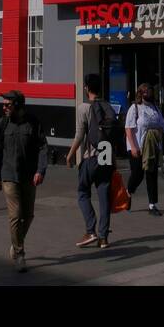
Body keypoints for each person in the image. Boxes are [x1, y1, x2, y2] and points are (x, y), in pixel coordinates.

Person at [0, 90, 48, 273]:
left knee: (29, 215)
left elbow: (43, 147)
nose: (4, 108)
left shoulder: (33, 123)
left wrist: (40, 170)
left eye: (7, 105)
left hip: (29, 176)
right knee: (15, 215)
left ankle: (15, 243)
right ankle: (19, 253)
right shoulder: (3, 124)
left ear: (18, 105)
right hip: (9, 176)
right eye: (4, 104)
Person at [66, 73, 118, 250]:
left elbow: (80, 135)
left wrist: (70, 154)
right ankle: (103, 238)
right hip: (107, 158)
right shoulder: (108, 106)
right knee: (104, 197)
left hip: (91, 158)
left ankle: (90, 230)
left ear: (87, 88)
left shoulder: (84, 108)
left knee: (82, 192)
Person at [125, 82, 164, 216]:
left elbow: (161, 126)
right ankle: (128, 192)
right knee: (138, 174)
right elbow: (129, 129)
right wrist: (134, 147)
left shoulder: (155, 108)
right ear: (140, 94)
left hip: (152, 147)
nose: (148, 94)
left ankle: (152, 205)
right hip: (137, 146)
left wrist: (157, 139)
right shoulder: (135, 108)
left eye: (150, 91)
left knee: (151, 174)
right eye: (145, 91)